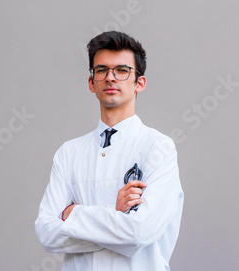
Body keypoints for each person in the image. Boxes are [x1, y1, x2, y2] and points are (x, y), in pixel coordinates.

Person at [34, 31, 184, 271]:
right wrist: (115, 215)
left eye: (122, 70)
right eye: (101, 70)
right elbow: (46, 233)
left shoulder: (158, 147)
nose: (111, 78)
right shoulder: (68, 153)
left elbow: (139, 232)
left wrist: (73, 214)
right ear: (91, 83)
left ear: (140, 83)